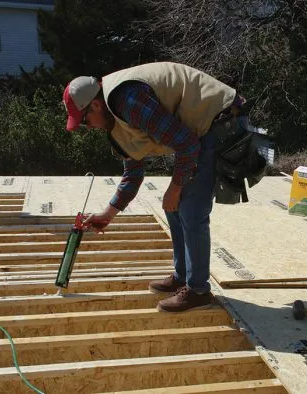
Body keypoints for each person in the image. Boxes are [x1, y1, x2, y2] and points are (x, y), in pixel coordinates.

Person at [63, 62, 246, 313]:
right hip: (199, 130)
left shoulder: (128, 101)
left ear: (94, 105)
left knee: (191, 210)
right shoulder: (113, 119)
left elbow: (188, 145)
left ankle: (199, 291)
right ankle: (183, 277)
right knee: (173, 206)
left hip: (222, 119)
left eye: (85, 122)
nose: (88, 128)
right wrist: (108, 214)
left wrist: (175, 186)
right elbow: (133, 172)